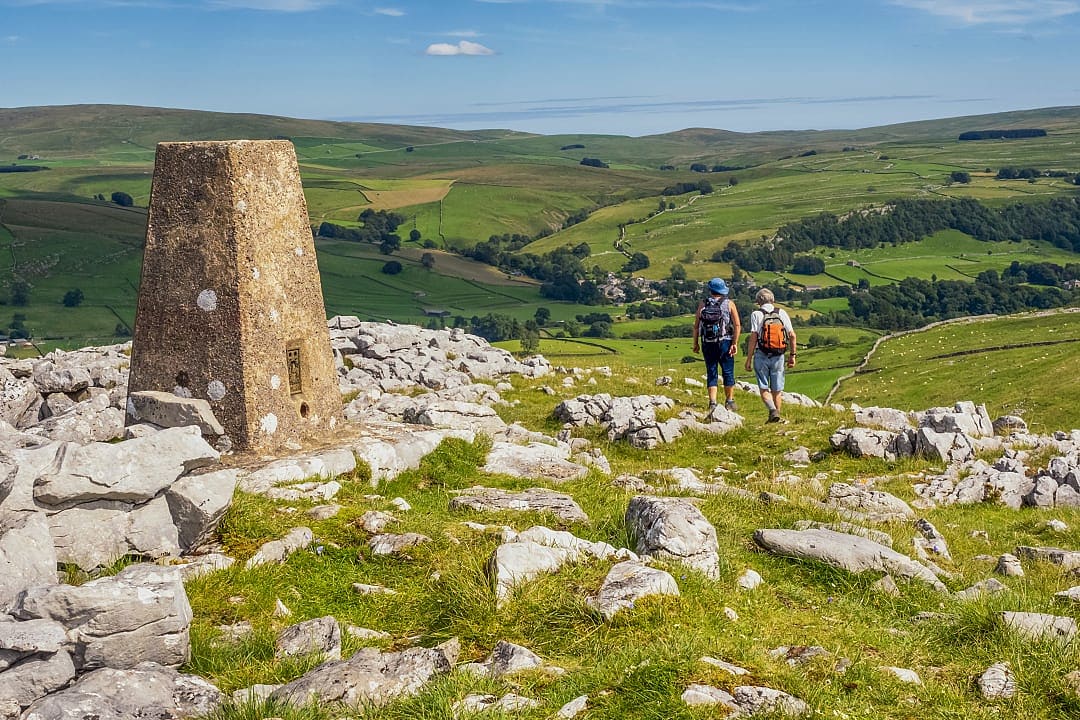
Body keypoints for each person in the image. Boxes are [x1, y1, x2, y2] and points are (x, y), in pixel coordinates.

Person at [744, 287, 797, 423]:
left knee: (763, 387)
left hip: (761, 355)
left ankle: (772, 411)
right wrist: (792, 355)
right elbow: (792, 335)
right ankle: (776, 417)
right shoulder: (782, 313)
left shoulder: (756, 314)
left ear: (758, 301)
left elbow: (754, 337)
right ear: (773, 300)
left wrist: (749, 359)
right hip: (779, 356)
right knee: (777, 389)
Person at [692, 277, 741, 412]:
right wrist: (734, 343)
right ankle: (729, 401)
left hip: (707, 342)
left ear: (711, 290)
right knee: (728, 371)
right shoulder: (729, 303)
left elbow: (696, 326)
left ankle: (712, 402)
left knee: (711, 371)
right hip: (725, 341)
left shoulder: (703, 304)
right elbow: (737, 325)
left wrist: (695, 343)